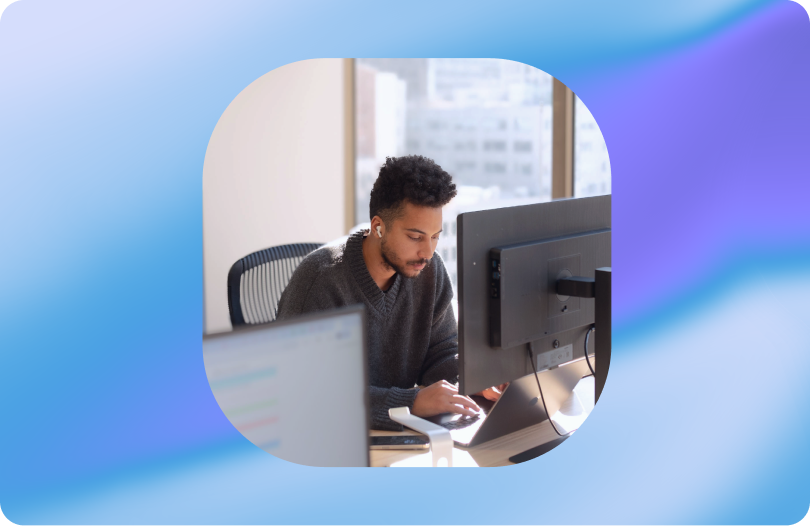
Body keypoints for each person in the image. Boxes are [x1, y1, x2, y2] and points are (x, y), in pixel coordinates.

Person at [276, 155, 505, 430]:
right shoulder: (321, 283)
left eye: (435, 236)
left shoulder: (429, 270)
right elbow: (308, 393)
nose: (428, 252)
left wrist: (471, 378)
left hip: (399, 429)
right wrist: (410, 402)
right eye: (415, 237)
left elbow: (442, 350)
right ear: (377, 227)